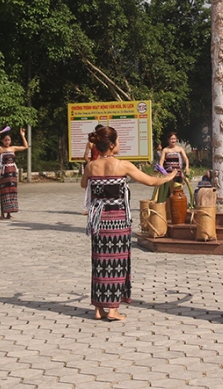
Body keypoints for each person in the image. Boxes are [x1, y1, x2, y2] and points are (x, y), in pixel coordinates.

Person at [80, 126, 176, 322]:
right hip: (117, 220)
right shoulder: (123, 165)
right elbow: (149, 181)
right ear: (112, 144)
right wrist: (168, 177)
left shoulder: (91, 166)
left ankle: (99, 308)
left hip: (99, 220)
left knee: (99, 262)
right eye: (119, 141)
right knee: (116, 262)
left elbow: (84, 184)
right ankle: (113, 309)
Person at [0, 128, 28, 219]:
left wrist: (22, 136)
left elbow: (25, 147)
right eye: (5, 140)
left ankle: (9, 213)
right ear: (2, 141)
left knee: (12, 192)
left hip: (12, 173)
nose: (7, 142)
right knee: (4, 193)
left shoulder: (13, 148)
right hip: (5, 174)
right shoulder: (1, 149)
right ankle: (2, 214)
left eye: (8, 140)